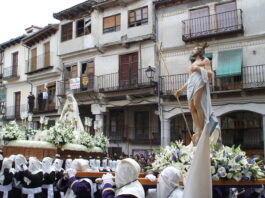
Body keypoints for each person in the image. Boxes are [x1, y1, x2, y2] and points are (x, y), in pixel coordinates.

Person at [175, 43, 219, 143]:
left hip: (199, 82)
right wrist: (181, 90)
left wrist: (199, 69)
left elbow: (211, 73)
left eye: (195, 49)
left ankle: (200, 130)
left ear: (199, 51)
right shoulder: (192, 63)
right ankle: (198, 128)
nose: (193, 50)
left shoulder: (205, 60)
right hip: (191, 84)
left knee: (196, 104)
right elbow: (190, 79)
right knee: (191, 107)